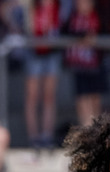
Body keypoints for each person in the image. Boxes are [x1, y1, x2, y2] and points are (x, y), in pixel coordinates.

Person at [63, 0, 108, 127]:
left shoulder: (98, 17)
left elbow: (104, 35)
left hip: (95, 65)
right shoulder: (71, 19)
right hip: (79, 66)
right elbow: (65, 33)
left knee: (95, 98)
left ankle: (97, 129)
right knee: (82, 98)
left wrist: (92, 39)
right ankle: (86, 128)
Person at [24, 0, 61, 150]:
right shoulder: (31, 7)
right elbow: (30, 29)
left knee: (49, 96)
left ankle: (47, 136)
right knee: (33, 96)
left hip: (52, 53)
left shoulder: (58, 6)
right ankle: (34, 138)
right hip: (34, 53)